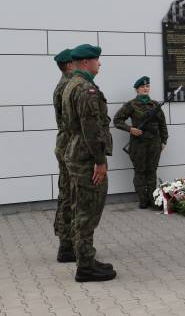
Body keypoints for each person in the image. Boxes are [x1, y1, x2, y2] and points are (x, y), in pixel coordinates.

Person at [62, 44, 116, 282]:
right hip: (86, 157)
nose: (100, 64)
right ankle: (85, 267)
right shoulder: (85, 89)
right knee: (88, 210)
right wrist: (100, 161)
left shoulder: (70, 84)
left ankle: (86, 258)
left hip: (75, 152)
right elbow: (91, 128)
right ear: (86, 63)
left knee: (79, 208)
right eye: (96, 60)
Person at [114, 76, 168, 209]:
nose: (145, 88)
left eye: (147, 86)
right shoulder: (131, 105)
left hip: (154, 143)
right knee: (140, 171)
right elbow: (117, 120)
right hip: (138, 143)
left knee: (152, 171)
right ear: (137, 89)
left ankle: (152, 199)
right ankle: (143, 200)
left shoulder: (155, 105)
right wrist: (130, 129)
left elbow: (162, 124)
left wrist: (164, 140)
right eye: (142, 87)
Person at [52, 49, 75, 263]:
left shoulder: (65, 83)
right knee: (69, 195)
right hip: (69, 145)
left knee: (66, 193)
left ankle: (67, 242)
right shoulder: (68, 85)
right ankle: (66, 245)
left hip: (65, 144)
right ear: (68, 65)